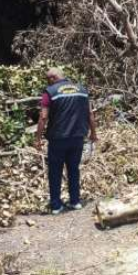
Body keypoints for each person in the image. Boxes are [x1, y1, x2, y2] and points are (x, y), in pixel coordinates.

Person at [35, 67, 98, 214]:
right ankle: (75, 201)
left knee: (55, 172)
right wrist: (93, 133)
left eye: (47, 79)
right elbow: (89, 114)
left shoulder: (50, 92)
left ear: (52, 78)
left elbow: (43, 117)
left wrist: (37, 139)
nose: (47, 83)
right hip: (77, 137)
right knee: (73, 169)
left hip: (58, 139)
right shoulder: (81, 90)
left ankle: (56, 206)